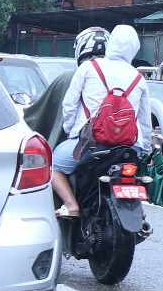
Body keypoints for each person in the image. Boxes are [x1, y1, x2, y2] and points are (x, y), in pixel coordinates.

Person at [52, 23, 152, 219]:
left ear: (111, 44)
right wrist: (145, 148)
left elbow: (69, 105)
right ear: (135, 48)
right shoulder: (138, 78)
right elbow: (145, 121)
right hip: (129, 148)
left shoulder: (89, 68)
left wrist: (71, 131)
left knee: (53, 166)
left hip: (91, 145)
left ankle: (71, 205)